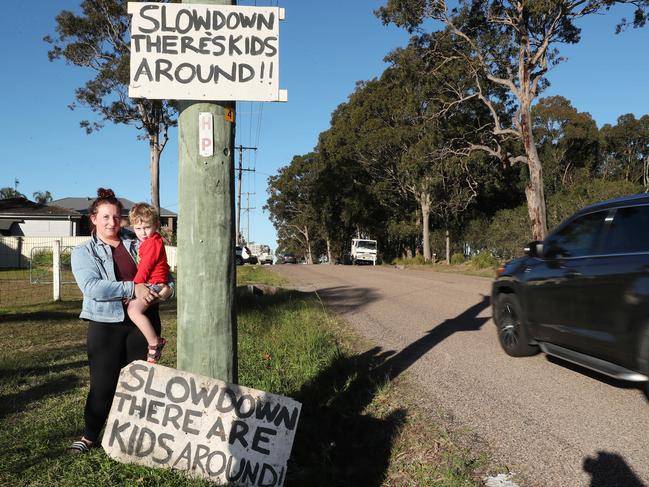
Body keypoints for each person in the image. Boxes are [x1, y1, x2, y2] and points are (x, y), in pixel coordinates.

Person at [68, 188, 173, 454]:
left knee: (141, 387)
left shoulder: (137, 238)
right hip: (106, 327)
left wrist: (169, 289)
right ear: (93, 218)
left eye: (116, 217)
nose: (112, 223)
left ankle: (136, 438)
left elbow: (161, 268)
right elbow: (92, 287)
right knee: (102, 386)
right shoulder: (84, 252)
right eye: (105, 217)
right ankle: (90, 436)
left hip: (143, 323)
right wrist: (132, 289)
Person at [126, 203, 170, 364]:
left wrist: (135, 285)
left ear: (156, 225)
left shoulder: (152, 242)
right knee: (134, 307)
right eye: (138, 229)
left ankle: (154, 342)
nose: (142, 232)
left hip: (154, 283)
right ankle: (153, 342)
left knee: (133, 310)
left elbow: (146, 267)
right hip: (153, 282)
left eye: (146, 227)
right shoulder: (151, 241)